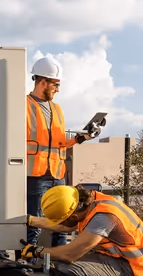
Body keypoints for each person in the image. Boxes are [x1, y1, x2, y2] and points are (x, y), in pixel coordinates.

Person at [21, 185, 143, 276]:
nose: (60, 224)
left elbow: (69, 255)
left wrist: (38, 251)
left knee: (69, 271)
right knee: (60, 267)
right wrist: (30, 220)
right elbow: (66, 226)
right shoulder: (88, 202)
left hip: (139, 271)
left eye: (62, 220)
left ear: (74, 216)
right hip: (125, 261)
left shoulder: (103, 217)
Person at [26, 56, 96, 249]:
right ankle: (25, 262)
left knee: (63, 221)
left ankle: (60, 263)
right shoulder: (23, 106)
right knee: (34, 223)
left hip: (58, 174)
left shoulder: (57, 109)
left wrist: (80, 138)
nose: (58, 89)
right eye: (56, 84)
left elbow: (59, 143)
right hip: (34, 175)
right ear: (42, 82)